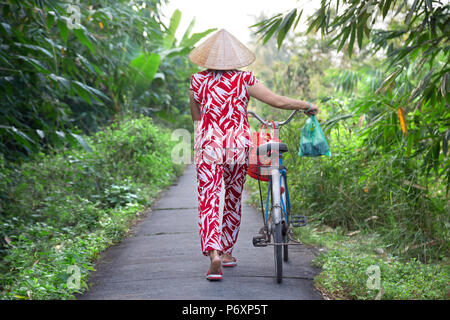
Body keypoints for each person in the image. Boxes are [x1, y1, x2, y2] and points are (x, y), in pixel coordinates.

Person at [188, 29, 318, 281]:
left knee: (209, 200)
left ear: (208, 58)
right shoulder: (244, 80)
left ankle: (213, 253)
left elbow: (196, 118)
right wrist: (306, 105)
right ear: (234, 58)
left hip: (208, 146)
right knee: (233, 197)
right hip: (237, 146)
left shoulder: (196, 81)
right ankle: (226, 253)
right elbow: (277, 101)